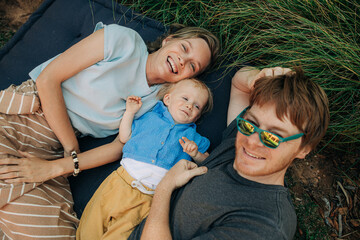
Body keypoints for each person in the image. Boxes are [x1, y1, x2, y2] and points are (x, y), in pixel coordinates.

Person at [0, 22, 219, 240]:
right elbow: (48, 79)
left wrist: (55, 167)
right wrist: (71, 147)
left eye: (193, 65)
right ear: (169, 40)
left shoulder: (159, 105)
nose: (183, 60)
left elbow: (120, 147)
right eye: (184, 48)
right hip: (24, 118)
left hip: (53, 153)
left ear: (190, 78)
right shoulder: (123, 41)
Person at [126, 66, 330, 240]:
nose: (251, 143)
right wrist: (256, 77)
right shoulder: (239, 137)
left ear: (304, 148)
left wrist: (165, 186)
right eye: (251, 123)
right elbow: (240, 83)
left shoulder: (265, 225)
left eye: (273, 137)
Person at [77, 78, 213, 240]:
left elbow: (208, 162)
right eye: (185, 99)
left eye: (197, 106)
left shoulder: (194, 138)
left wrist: (196, 154)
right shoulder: (149, 118)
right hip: (119, 182)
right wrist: (130, 112)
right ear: (168, 99)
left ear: (197, 116)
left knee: (121, 233)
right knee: (92, 224)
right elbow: (125, 136)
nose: (189, 106)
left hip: (149, 198)